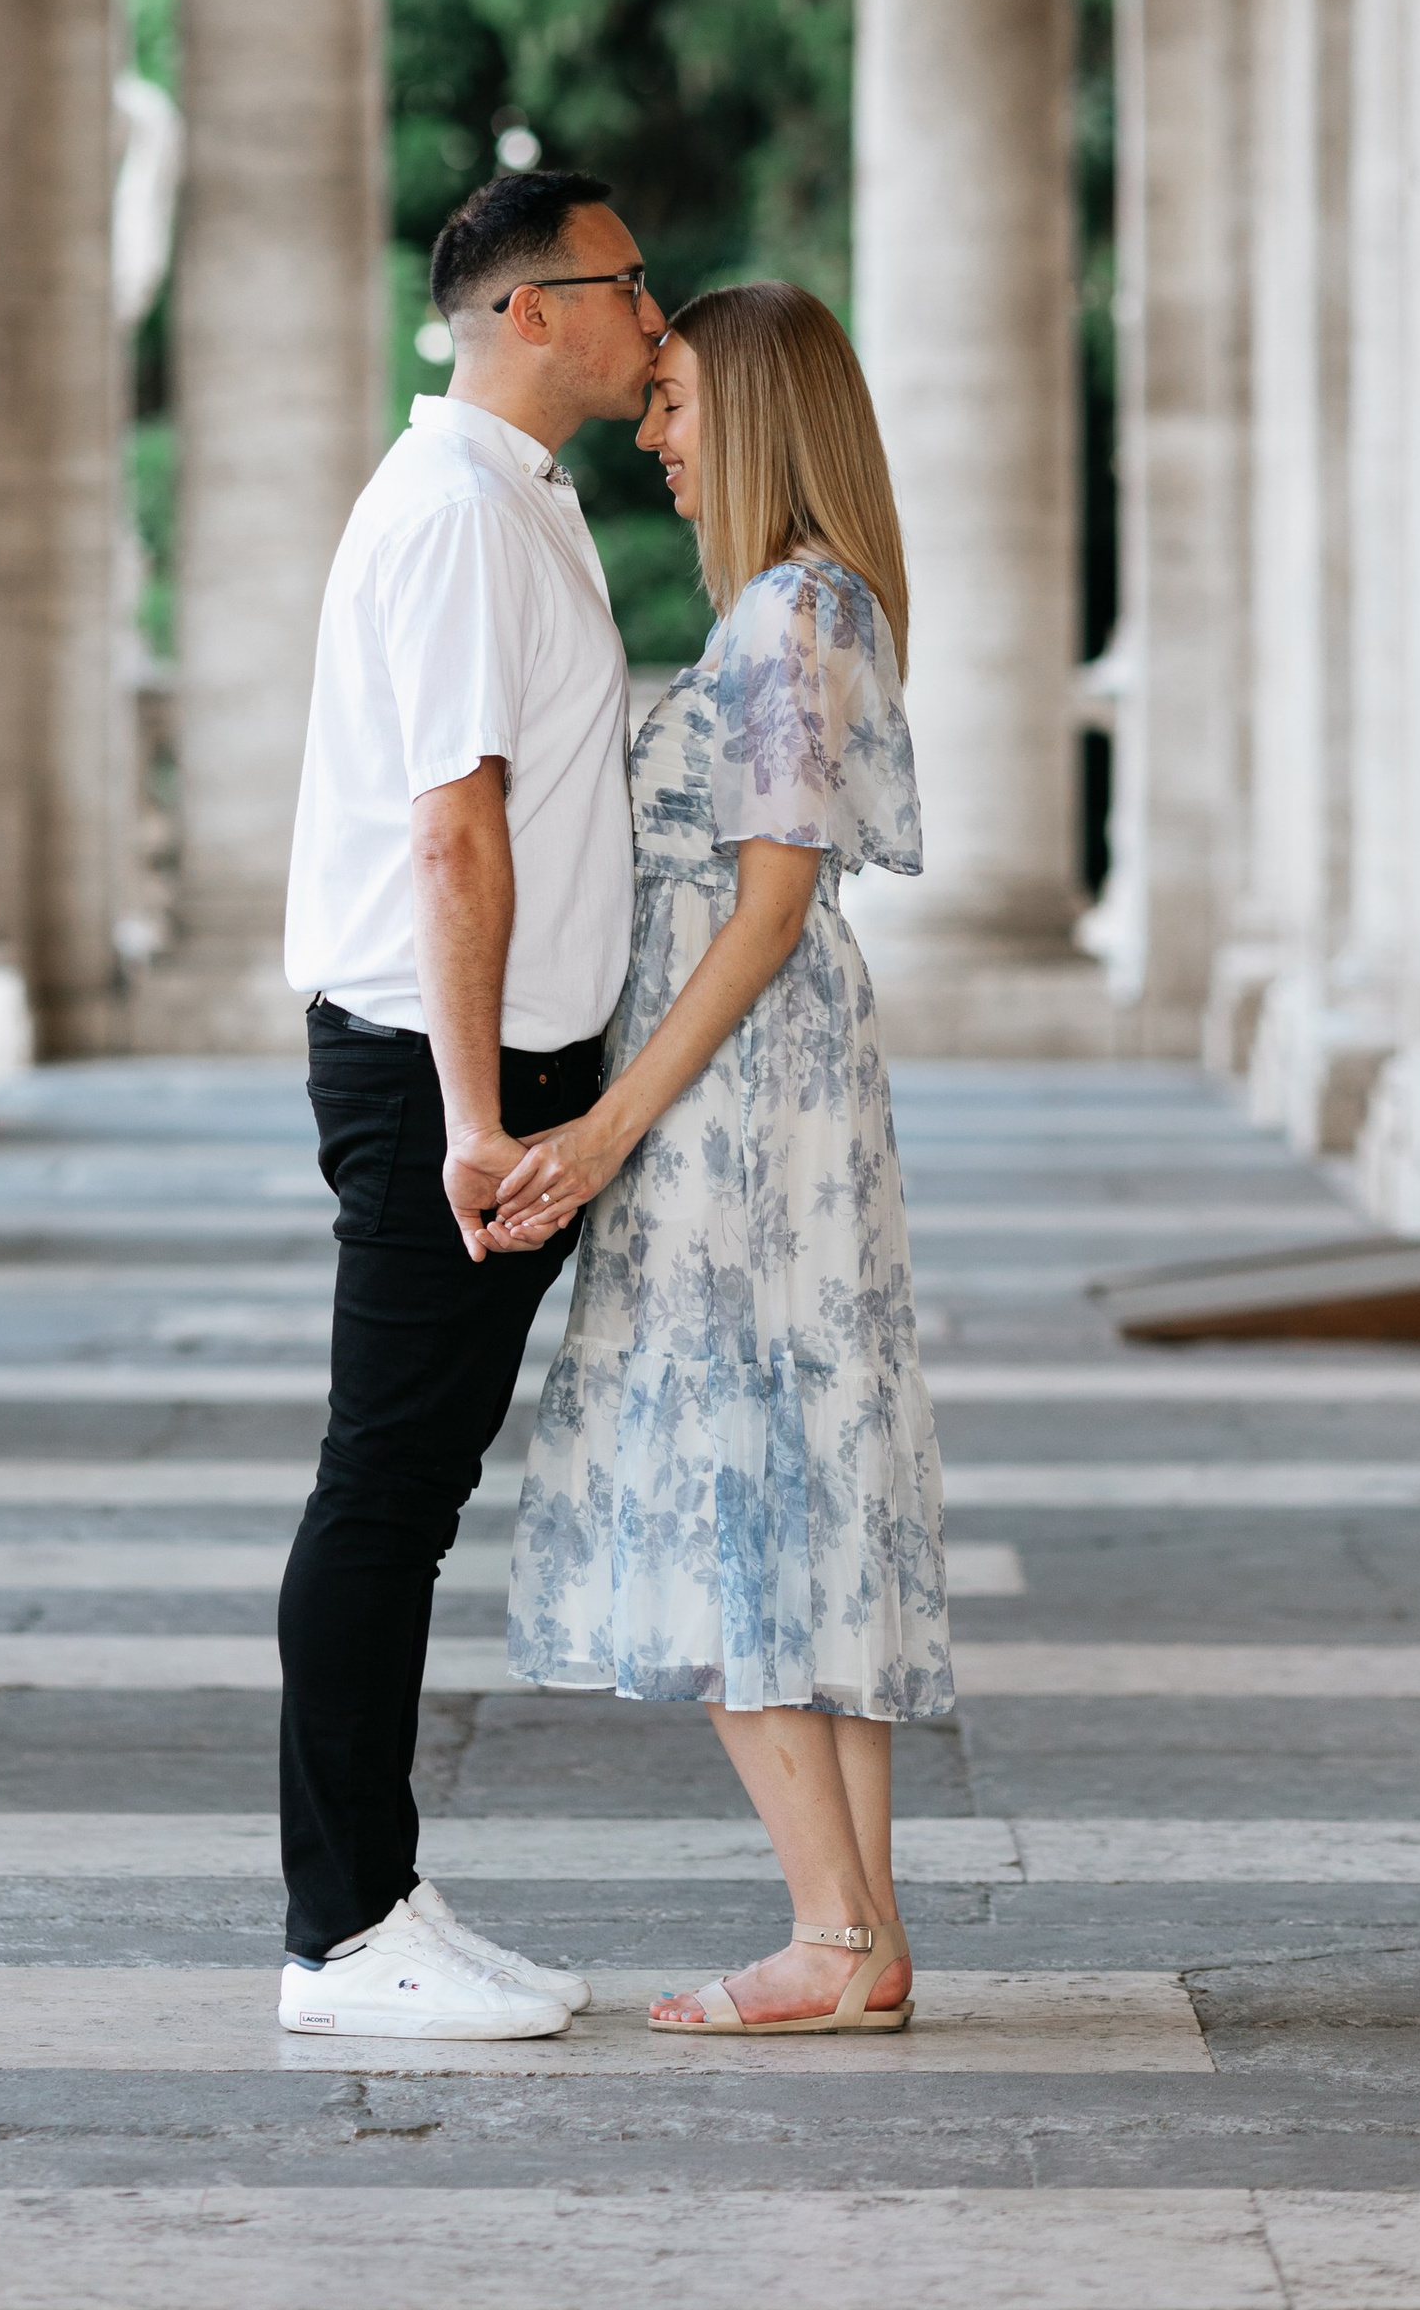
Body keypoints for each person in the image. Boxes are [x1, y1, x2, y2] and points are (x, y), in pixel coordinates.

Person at [498, 278, 953, 2037]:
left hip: (738, 1107)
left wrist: (610, 1123)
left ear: (754, 411)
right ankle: (860, 1937)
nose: (654, 432)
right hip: (773, 1090)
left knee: (729, 1483)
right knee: (791, 1481)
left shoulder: (789, 614)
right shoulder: (811, 605)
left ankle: (836, 1934)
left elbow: (763, 916)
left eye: (676, 401)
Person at [273, 165, 666, 2041]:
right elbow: (452, 832)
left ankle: (385, 1893)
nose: (649, 312)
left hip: (505, 1061)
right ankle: (343, 1935)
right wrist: (473, 1111)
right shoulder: (449, 515)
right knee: (387, 1486)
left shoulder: (511, 501)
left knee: (412, 1487)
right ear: (528, 311)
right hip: (457, 1070)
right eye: (621, 284)